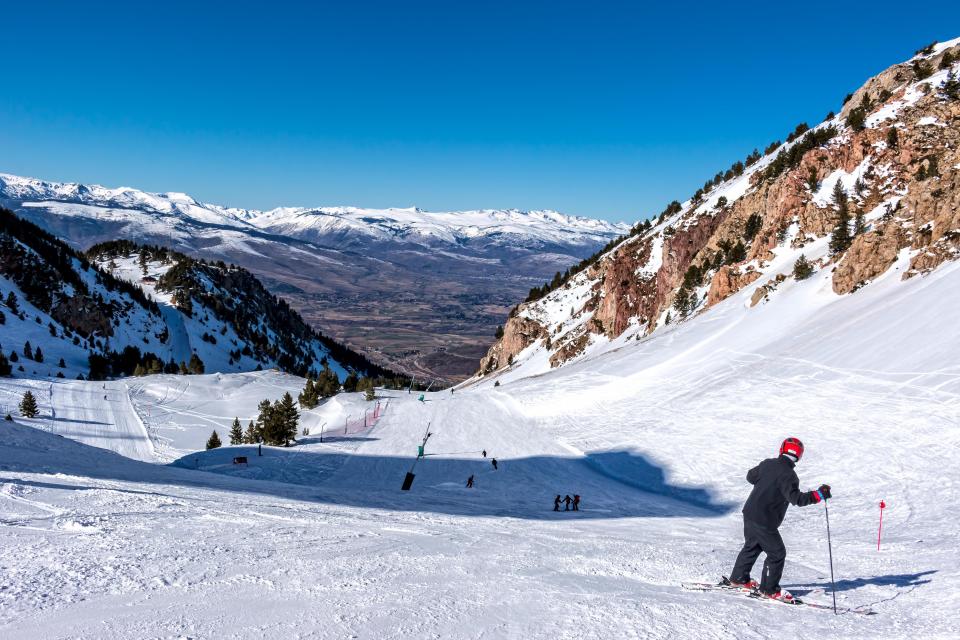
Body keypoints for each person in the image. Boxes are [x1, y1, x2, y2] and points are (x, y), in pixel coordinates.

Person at [727, 437, 831, 602]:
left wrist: (766, 481)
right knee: (777, 553)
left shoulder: (767, 464)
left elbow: (750, 476)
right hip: (765, 520)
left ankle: (739, 579)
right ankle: (769, 590)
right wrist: (818, 495)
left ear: (782, 449)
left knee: (752, 546)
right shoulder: (789, 475)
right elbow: (797, 499)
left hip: (750, 513)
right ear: (799, 456)